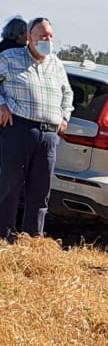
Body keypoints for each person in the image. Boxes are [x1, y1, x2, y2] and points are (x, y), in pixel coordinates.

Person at [0, 16, 73, 240]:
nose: (47, 40)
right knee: (10, 186)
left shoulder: (56, 64)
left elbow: (67, 93)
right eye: (42, 36)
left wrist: (64, 116)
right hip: (19, 129)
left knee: (40, 191)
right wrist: (1, 105)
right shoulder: (9, 58)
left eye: (50, 36)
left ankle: (32, 239)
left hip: (49, 135)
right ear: (29, 37)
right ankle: (4, 236)